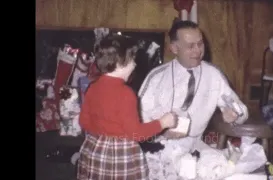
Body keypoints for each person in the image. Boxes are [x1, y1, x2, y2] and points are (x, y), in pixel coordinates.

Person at [138, 20, 249, 179]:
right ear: (174, 48)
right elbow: (137, 122)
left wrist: (234, 114)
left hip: (191, 150)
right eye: (190, 46)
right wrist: (162, 131)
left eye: (200, 44)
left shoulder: (213, 75)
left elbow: (241, 110)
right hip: (156, 149)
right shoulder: (156, 77)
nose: (197, 51)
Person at [77, 35, 178, 180]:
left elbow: (83, 122)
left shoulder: (92, 87)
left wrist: (104, 130)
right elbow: (136, 134)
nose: (135, 65)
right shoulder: (126, 94)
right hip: (120, 156)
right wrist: (162, 123)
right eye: (132, 60)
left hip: (95, 151)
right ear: (119, 63)